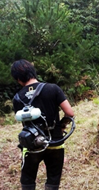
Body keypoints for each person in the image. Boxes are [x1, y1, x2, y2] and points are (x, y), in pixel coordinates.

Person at [11, 59, 74, 190]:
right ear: (33, 73)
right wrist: (62, 125)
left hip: (32, 144)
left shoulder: (17, 98)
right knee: (53, 178)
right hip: (55, 142)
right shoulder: (53, 88)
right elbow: (69, 113)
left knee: (28, 179)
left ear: (18, 79)